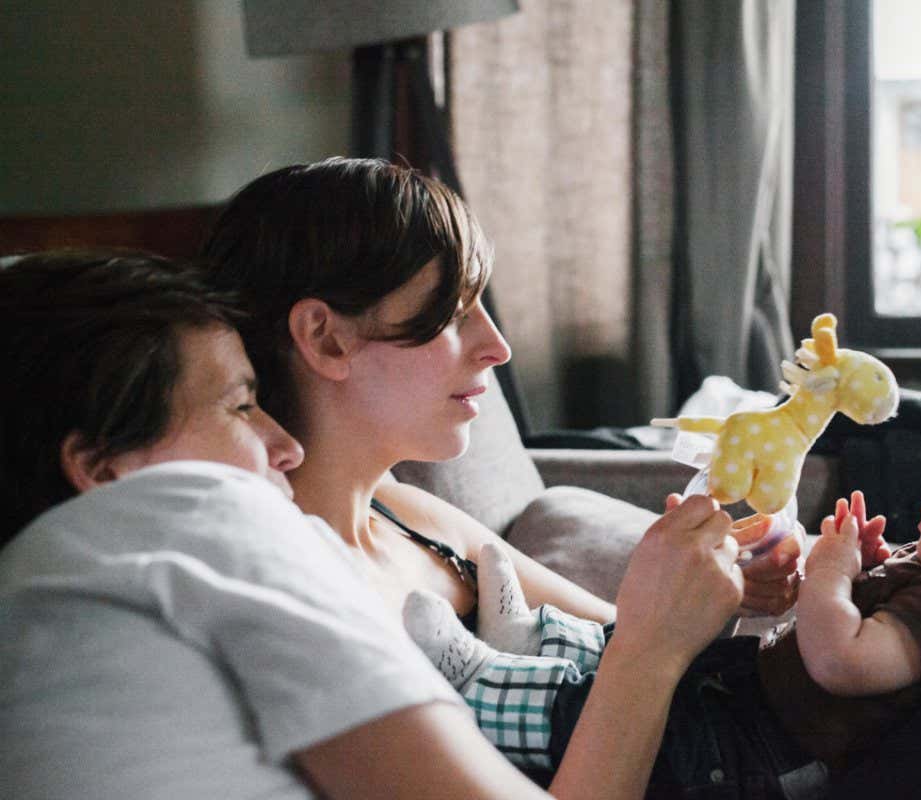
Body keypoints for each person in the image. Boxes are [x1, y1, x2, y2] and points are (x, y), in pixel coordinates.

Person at [0, 250, 743, 800]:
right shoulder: (193, 513)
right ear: (103, 471)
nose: (283, 446)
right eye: (237, 407)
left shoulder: (47, 599)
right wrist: (652, 647)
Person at [200, 158, 802, 794]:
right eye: (455, 314)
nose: (497, 346)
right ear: (326, 340)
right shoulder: (305, 600)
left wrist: (716, 592)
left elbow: (626, 651)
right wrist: (654, 648)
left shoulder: (408, 514)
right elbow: (642, 662)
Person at [402, 393, 921, 797]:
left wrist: (827, 574)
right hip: (750, 733)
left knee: (598, 694)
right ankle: (520, 653)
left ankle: (496, 672)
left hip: (748, 758)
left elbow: (843, 660)